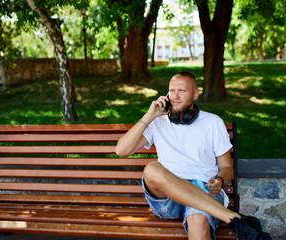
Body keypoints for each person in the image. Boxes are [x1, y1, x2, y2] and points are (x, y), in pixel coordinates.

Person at [116, 72, 271, 240]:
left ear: (196, 94)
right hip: (166, 200)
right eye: (172, 90)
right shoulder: (157, 121)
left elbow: (226, 167)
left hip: (203, 190)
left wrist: (219, 180)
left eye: (182, 90)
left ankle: (233, 220)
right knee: (151, 169)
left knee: (198, 220)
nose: (175, 96)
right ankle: (235, 219)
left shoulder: (213, 122)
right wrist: (149, 116)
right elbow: (122, 151)